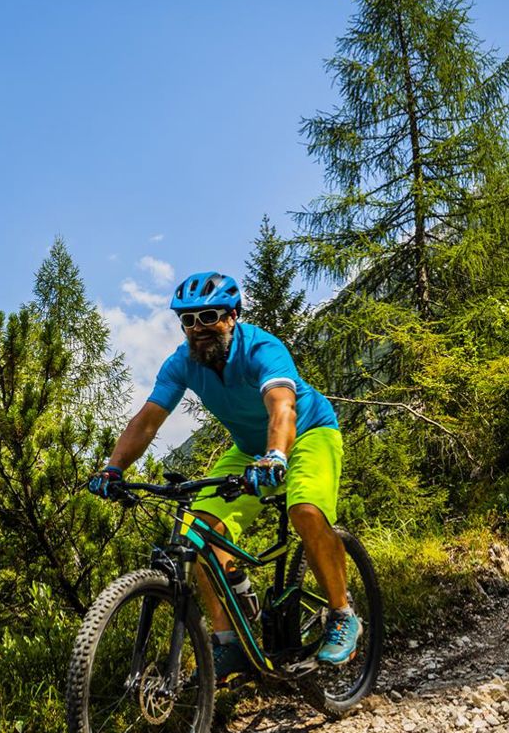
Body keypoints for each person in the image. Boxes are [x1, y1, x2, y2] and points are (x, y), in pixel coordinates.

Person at [88, 271, 358, 681]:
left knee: (304, 510)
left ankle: (342, 614)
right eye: (188, 321)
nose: (198, 329)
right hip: (250, 448)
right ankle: (228, 642)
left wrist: (275, 456)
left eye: (209, 316)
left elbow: (281, 407)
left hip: (307, 433)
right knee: (199, 531)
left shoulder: (262, 349)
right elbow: (146, 422)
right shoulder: (182, 364)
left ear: (232, 316)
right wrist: (113, 468)